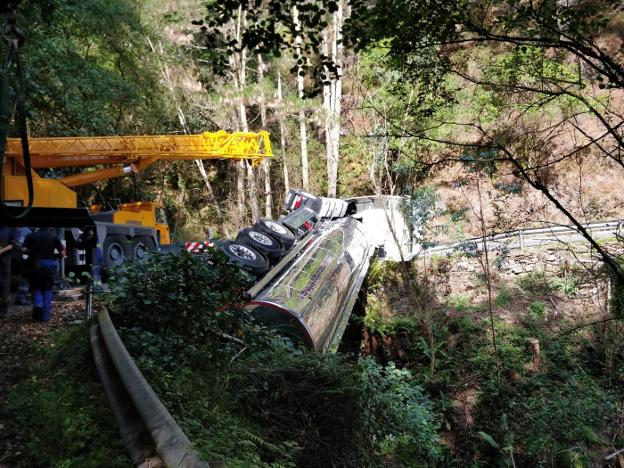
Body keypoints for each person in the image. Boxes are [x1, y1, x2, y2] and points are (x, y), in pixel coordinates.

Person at [22, 227, 65, 322]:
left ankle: (38, 304)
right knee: (47, 288)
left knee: (36, 286)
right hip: (49, 264)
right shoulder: (54, 237)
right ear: (49, 226)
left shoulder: (31, 236)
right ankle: (45, 316)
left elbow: (24, 249)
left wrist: (31, 252)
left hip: (34, 264)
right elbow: (62, 253)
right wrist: (54, 256)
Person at [0, 227, 18, 318]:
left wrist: (2, 250)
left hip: (5, 259)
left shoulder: (10, 228)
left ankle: (4, 308)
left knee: (4, 283)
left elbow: (14, 244)